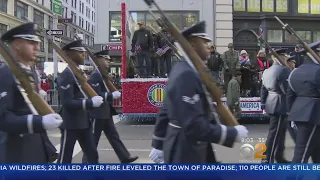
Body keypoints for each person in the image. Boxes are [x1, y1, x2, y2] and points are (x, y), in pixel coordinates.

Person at [149, 21, 248, 163]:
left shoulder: (187, 69)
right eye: (205, 43)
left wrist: (158, 143)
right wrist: (230, 133)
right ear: (193, 45)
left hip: (191, 147)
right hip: (185, 151)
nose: (209, 48)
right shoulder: (185, 74)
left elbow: (165, 110)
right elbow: (193, 125)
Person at [0, 22, 62, 163]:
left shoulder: (30, 73)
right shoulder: (5, 74)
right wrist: (38, 121)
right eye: (31, 42)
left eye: (37, 43)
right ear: (16, 44)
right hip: (17, 151)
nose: (37, 47)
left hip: (36, 145)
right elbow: (3, 119)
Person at [82, 49, 139, 163]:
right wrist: (110, 95)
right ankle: (87, 161)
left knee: (114, 136)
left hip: (105, 112)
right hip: (97, 113)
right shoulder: (95, 76)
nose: (109, 61)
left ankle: (124, 156)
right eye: (106, 59)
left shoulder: (103, 75)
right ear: (99, 60)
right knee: (93, 139)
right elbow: (95, 94)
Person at [57, 40, 102, 163]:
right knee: (65, 159)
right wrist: (90, 103)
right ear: (70, 54)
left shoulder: (78, 72)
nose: (84, 55)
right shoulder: (66, 75)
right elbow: (67, 103)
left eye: (84, 52)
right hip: (71, 123)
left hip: (84, 122)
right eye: (80, 52)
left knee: (92, 155)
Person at [287, 40, 320, 163]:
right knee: (302, 153)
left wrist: (291, 113)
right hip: (314, 115)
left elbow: (290, 95)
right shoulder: (318, 71)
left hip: (300, 114)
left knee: (315, 152)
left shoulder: (296, 71)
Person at [260, 48, 291, 163]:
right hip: (280, 103)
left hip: (271, 101)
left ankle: (279, 156)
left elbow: (263, 88)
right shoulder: (284, 70)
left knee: (281, 132)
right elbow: (286, 90)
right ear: (280, 57)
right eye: (284, 56)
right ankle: (267, 158)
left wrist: (263, 102)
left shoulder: (267, 71)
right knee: (275, 133)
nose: (286, 58)